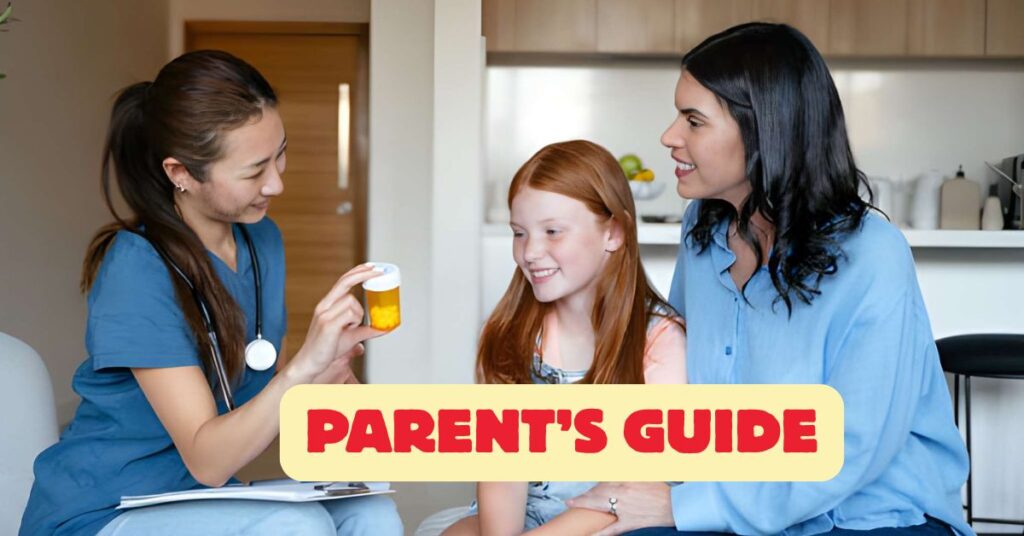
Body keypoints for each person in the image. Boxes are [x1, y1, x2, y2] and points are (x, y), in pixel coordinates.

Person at [567, 23, 972, 536]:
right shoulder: (703, 227)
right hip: (734, 500)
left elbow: (849, 448)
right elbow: (677, 381)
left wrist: (681, 508)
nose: (670, 136)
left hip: (870, 516)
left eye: (693, 121)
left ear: (763, 131)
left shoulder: (872, 254)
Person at [19, 50, 403, 535]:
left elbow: (262, 403)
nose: (277, 183)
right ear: (181, 174)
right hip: (105, 510)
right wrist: (303, 368)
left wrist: (327, 374)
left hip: (196, 501)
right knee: (292, 527)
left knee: (371, 511)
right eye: (253, 171)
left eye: (280, 153)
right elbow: (207, 460)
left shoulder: (261, 239)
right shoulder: (137, 267)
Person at [442, 140, 687, 536]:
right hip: (530, 516)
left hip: (615, 521)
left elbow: (632, 488)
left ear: (614, 232)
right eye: (519, 233)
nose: (530, 252)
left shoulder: (659, 341)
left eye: (552, 232)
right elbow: (502, 475)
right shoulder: (509, 334)